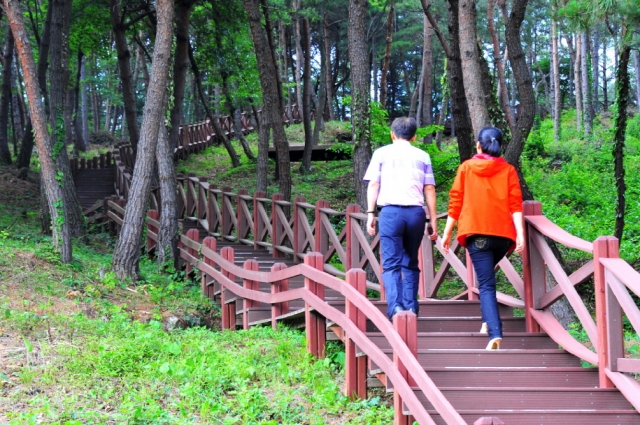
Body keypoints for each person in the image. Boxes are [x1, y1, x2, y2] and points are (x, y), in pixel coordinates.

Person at [441, 126, 524, 350]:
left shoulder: (467, 167)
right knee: (486, 278)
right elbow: (516, 204)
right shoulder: (508, 170)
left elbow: (455, 201)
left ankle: (495, 334)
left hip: (477, 234)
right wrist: (520, 234)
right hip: (503, 238)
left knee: (486, 284)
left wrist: (447, 232)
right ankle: (487, 322)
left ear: (479, 145)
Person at [363, 117, 438, 320]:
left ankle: (395, 308)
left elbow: (373, 185)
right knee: (410, 262)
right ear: (414, 136)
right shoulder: (423, 156)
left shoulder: (381, 153)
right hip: (415, 213)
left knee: (391, 263)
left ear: (392, 134)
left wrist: (371, 213)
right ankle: (411, 307)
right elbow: (429, 188)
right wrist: (432, 219)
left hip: (390, 213)